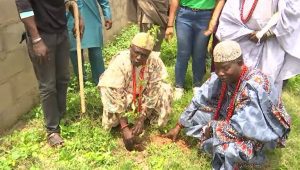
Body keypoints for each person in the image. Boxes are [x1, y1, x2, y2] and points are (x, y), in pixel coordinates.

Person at [164, 41, 291, 169]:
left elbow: (242, 127)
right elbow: (199, 99)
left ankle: (258, 158)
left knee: (226, 150)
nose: (220, 73)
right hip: (231, 120)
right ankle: (212, 142)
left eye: (225, 68)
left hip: (256, 130)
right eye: (217, 68)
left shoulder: (255, 85)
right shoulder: (222, 77)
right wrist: (179, 125)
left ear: (240, 63)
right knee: (193, 119)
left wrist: (211, 128)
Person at [15, 0, 84, 147]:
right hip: (42, 36)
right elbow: (25, 11)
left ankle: (60, 115)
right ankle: (52, 130)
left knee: (63, 78)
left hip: (61, 32)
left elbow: (68, 1)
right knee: (48, 85)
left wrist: (78, 18)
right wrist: (36, 39)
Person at [98, 32, 173, 151]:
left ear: (149, 54)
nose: (139, 57)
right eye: (136, 52)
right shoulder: (120, 61)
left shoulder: (154, 61)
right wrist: (125, 128)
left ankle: (148, 120)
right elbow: (114, 93)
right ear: (130, 48)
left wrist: (141, 119)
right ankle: (122, 123)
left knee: (165, 89)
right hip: (123, 99)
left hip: (143, 98)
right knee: (107, 87)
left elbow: (153, 91)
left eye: (144, 55)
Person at [215, 0, 300, 93]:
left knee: (265, 86)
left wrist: (268, 32)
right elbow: (230, 11)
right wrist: (243, 32)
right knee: (234, 81)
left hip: (271, 44)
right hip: (242, 38)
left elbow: (294, 10)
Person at [165, 0, 225, 100]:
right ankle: (178, 86)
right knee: (183, 52)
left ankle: (197, 85)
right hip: (184, 15)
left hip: (205, 16)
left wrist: (213, 19)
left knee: (200, 53)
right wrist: (170, 25)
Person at [67, 0, 112, 85]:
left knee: (95, 51)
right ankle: (81, 81)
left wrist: (107, 15)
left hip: (91, 15)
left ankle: (100, 80)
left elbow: (103, 1)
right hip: (70, 18)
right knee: (74, 51)